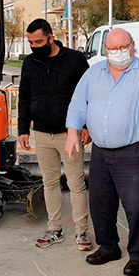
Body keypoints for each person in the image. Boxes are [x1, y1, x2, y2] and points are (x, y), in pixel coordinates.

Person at [65, 28, 139, 276]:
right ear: (106, 50)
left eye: (123, 48)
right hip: (101, 151)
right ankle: (108, 246)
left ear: (133, 46)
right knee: (100, 203)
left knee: (135, 206)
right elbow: (78, 104)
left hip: (134, 152)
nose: (118, 53)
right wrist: (73, 131)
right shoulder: (94, 73)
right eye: (113, 49)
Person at [18, 19, 92, 251]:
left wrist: (87, 125)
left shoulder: (75, 60)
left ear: (51, 38)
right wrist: (22, 129)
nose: (34, 46)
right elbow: (24, 96)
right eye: (31, 42)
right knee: (49, 182)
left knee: (76, 184)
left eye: (39, 41)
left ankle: (81, 232)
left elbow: (89, 94)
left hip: (69, 134)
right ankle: (54, 229)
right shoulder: (29, 63)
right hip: (41, 132)